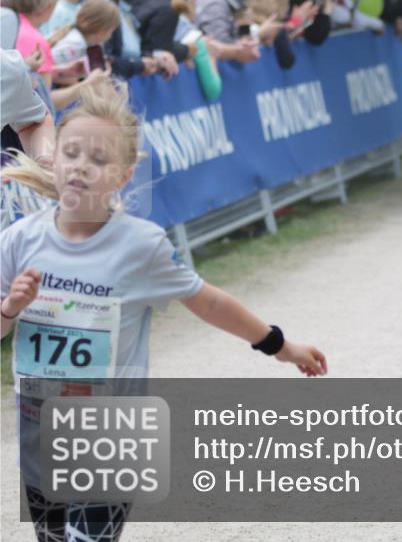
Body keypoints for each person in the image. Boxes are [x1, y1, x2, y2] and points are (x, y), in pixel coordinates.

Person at [1, 80, 327, 542]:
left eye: (98, 159)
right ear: (54, 159)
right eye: (71, 153)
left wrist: (280, 345)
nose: (80, 168)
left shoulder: (140, 246)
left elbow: (208, 301)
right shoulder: (19, 240)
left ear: (123, 175)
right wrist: (11, 307)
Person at [194, 0, 261, 63]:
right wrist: (260, 35)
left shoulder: (219, 0)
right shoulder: (215, 5)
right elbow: (221, 45)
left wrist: (245, 30)